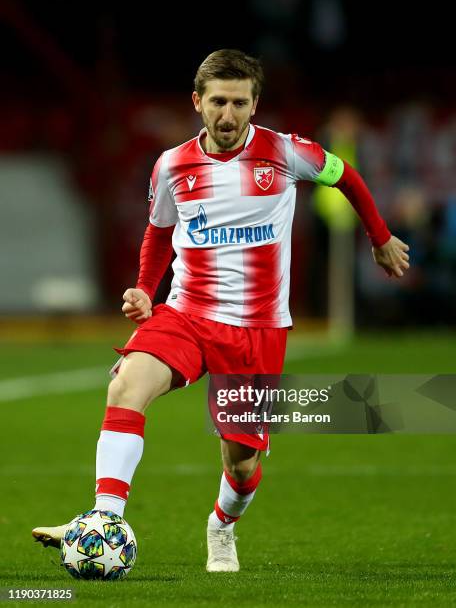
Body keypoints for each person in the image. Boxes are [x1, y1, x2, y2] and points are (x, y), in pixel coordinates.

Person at [32, 49, 410, 572]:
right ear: (197, 102)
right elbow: (160, 230)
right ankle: (103, 520)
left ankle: (222, 526)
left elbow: (347, 176)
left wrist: (381, 237)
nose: (227, 115)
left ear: (255, 105)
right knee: (125, 386)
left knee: (244, 464)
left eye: (238, 102)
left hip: (256, 331)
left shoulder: (284, 152)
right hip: (185, 314)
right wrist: (145, 289)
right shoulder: (171, 164)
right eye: (217, 102)